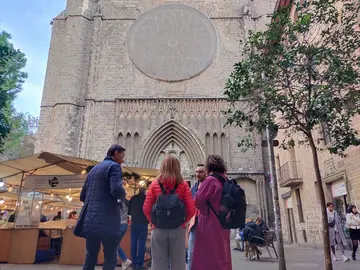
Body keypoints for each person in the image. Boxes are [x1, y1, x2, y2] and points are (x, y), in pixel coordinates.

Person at [75, 144, 127, 270]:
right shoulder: (114, 166)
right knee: (110, 257)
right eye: (122, 156)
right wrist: (123, 192)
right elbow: (116, 190)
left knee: (91, 255)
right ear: (116, 153)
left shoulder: (94, 169)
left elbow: (82, 196)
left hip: (91, 220)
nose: (123, 160)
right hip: (107, 220)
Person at [143, 155, 195, 270]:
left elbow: (146, 208)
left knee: (158, 263)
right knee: (178, 263)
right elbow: (191, 209)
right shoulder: (183, 184)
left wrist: (153, 222)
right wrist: (184, 221)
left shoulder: (155, 184)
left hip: (159, 228)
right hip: (177, 229)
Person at [191, 155, 232, 270]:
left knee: (207, 256)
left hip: (210, 223)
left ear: (209, 167)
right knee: (222, 253)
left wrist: (204, 210)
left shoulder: (210, 181)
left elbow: (197, 201)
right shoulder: (225, 180)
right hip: (224, 223)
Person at [187, 164, 206, 270]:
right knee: (191, 254)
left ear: (206, 173)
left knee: (205, 255)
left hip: (206, 225)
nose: (198, 174)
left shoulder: (208, 185)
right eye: (196, 172)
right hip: (194, 224)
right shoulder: (194, 187)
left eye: (200, 172)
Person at [128, 186, 149, 270]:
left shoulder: (133, 198)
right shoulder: (146, 198)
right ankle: (139, 264)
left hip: (134, 223)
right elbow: (148, 210)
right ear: (145, 191)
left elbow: (129, 212)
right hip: (143, 223)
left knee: (133, 243)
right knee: (142, 243)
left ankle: (133, 263)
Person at [118, 198, 132, 270]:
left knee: (114, 244)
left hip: (119, 224)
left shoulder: (118, 201)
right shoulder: (127, 202)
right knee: (115, 244)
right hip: (125, 224)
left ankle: (125, 260)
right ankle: (124, 261)